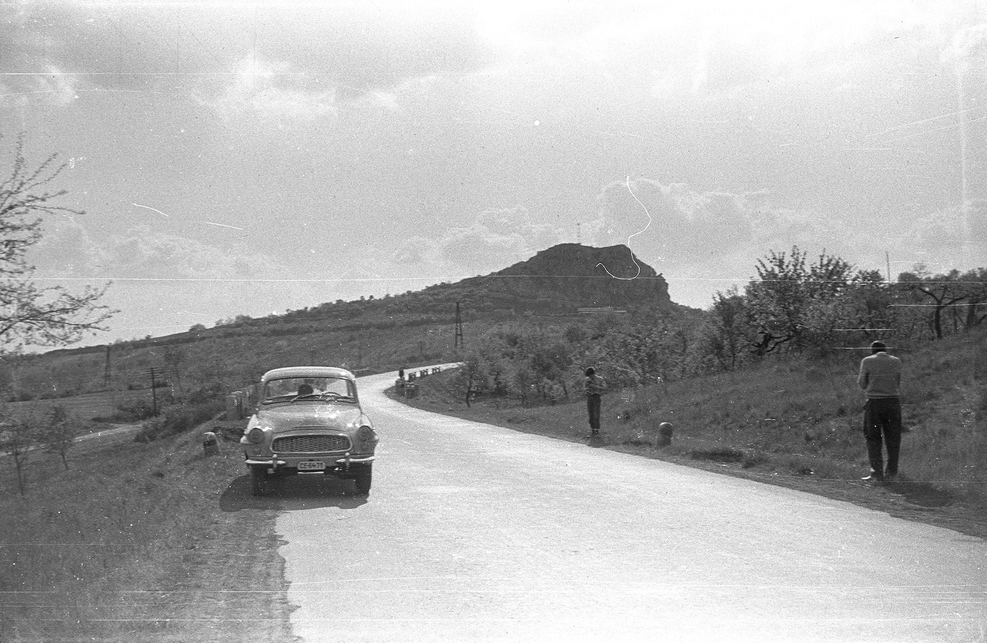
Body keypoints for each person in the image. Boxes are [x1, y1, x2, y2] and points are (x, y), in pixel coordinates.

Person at [857, 340, 903, 482]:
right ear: (885, 350)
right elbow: (898, 381)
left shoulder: (867, 361)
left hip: (875, 402)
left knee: (873, 437)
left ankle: (876, 473)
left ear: (872, 350)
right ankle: (892, 473)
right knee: (893, 438)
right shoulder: (896, 361)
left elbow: (862, 383)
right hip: (893, 402)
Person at [583, 367, 606, 436]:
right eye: (589, 376)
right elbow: (584, 388)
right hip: (589, 396)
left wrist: (594, 386)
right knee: (590, 413)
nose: (590, 377)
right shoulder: (587, 380)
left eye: (591, 375)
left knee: (596, 412)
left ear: (593, 374)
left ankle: (596, 429)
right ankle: (592, 428)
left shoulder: (600, 379)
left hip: (596, 396)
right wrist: (587, 388)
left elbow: (604, 388)